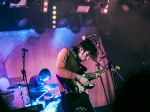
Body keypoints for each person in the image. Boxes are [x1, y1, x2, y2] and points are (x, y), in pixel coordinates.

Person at [56, 38, 98, 112]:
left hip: (81, 96)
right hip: (70, 98)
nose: (87, 58)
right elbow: (59, 71)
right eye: (87, 55)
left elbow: (75, 80)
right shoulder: (65, 52)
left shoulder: (77, 64)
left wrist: (90, 77)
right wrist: (79, 77)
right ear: (81, 49)